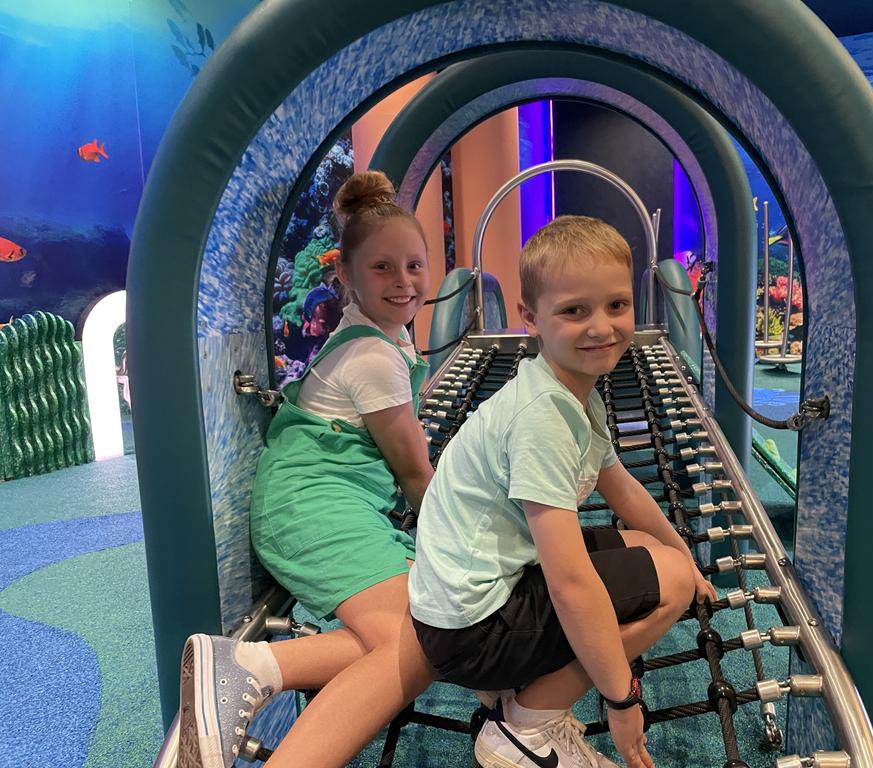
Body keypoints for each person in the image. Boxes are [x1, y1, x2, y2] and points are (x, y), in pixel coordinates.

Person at [408, 215, 717, 768]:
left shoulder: (572, 392)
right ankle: (528, 726)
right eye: (575, 311)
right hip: (471, 631)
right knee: (664, 582)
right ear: (531, 319)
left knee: (658, 556)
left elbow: (622, 489)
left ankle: (521, 699)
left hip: (470, 603)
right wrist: (622, 699)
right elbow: (571, 583)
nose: (601, 326)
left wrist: (685, 555)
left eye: (616, 305)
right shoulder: (542, 419)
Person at [178, 171, 437, 768]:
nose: (403, 282)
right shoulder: (375, 355)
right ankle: (253, 679)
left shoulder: (382, 339)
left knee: (422, 629)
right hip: (312, 508)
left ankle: (253, 668)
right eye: (382, 268)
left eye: (414, 266)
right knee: (423, 637)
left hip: (322, 502)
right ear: (343, 275)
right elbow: (416, 476)